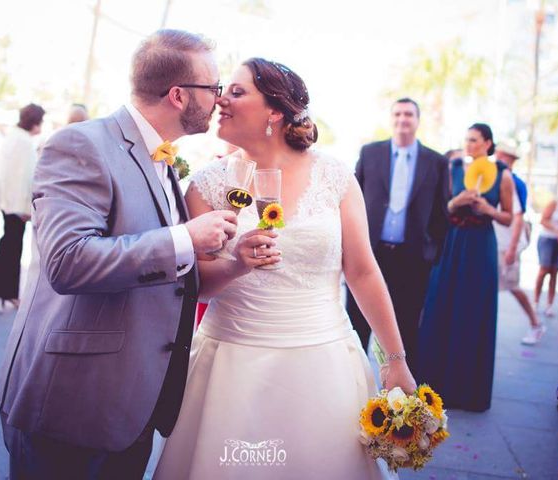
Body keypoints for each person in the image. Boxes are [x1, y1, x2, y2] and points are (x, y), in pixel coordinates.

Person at [154, 58, 415, 479]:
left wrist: (395, 360)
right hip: (230, 366)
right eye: (224, 90)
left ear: (275, 110)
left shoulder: (334, 176)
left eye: (237, 92)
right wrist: (237, 265)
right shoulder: (205, 185)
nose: (220, 99)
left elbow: (363, 272)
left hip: (323, 362)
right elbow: (196, 287)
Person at [0, 29, 236, 480]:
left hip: (131, 405)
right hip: (73, 404)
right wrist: (183, 238)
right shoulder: (82, 144)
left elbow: (164, 277)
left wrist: (234, 262)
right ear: (179, 95)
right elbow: (68, 261)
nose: (219, 100)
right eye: (214, 88)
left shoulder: (164, 159)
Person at [346, 97, 449, 373]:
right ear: (392, 118)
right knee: (357, 323)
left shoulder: (436, 161)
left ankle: (403, 400)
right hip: (370, 253)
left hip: (412, 259)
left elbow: (442, 213)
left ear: (417, 120)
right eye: (398, 114)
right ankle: (353, 381)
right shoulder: (370, 153)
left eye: (409, 114)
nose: (403, 119)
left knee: (405, 328)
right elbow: (352, 201)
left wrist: (430, 254)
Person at [417, 123, 513, 412]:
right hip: (452, 243)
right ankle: (432, 386)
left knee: (472, 312)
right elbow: (439, 208)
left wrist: (488, 210)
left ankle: (467, 392)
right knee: (440, 306)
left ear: (487, 143)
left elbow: (509, 217)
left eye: (474, 140)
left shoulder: (503, 175)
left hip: (479, 246)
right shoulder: (453, 167)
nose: (468, 144)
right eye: (466, 140)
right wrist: (456, 201)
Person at [0, 103, 45, 313]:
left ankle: (7, 294)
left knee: (11, 246)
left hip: (8, 202)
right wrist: (26, 207)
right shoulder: (24, 142)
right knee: (9, 247)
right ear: (34, 121)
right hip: (15, 205)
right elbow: (25, 178)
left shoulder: (14, 137)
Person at [494, 142, 544, 345]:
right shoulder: (492, 176)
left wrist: (513, 247)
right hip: (495, 241)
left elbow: (518, 217)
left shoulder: (515, 182)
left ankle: (536, 323)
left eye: (505, 156)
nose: (500, 159)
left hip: (507, 243)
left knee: (513, 286)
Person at [534, 180, 558, 317]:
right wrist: (557, 231)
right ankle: (536, 302)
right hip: (548, 239)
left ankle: (549, 305)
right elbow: (543, 220)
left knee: (554, 272)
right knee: (543, 270)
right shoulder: (554, 203)